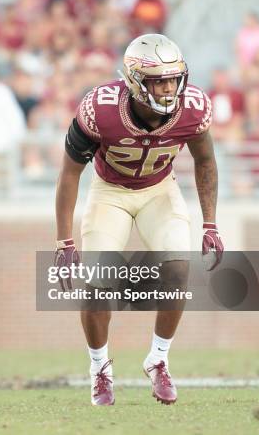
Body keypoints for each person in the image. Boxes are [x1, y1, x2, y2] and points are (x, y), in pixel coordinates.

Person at [54, 34, 223, 406]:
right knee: (99, 286)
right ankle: (100, 368)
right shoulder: (100, 109)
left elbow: (206, 161)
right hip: (110, 192)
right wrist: (63, 241)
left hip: (160, 190)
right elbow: (69, 174)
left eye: (172, 78)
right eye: (157, 80)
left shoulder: (192, 108)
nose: (167, 88)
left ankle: (158, 360)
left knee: (179, 270)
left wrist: (210, 223)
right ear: (133, 80)